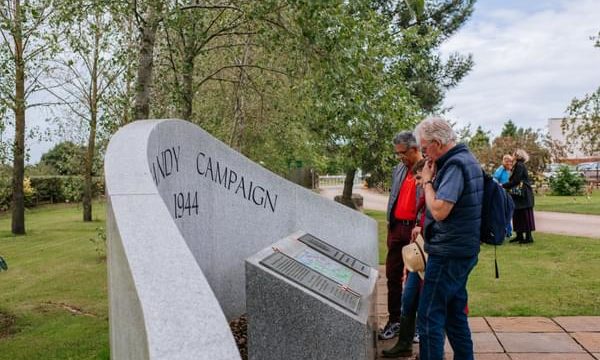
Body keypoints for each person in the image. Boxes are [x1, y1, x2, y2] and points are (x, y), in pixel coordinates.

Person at [414, 116, 483, 360]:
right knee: (454, 315)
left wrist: (428, 182)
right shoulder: (467, 159)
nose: (424, 155)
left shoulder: (454, 165)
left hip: (448, 253)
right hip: (462, 250)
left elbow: (441, 210)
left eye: (424, 148)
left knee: (429, 316)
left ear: (437, 143)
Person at [379, 131, 423, 340]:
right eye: (398, 154)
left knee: (416, 279)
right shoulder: (399, 169)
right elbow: (393, 196)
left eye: (403, 153)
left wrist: (421, 225)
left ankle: (414, 326)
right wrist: (390, 221)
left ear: (415, 149)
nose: (400, 157)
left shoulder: (428, 169)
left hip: (416, 231)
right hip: (397, 228)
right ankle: (395, 320)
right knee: (392, 275)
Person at [503, 149, 535, 244]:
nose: (512, 156)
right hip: (519, 194)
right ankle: (519, 235)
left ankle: (528, 237)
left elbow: (516, 180)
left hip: (523, 194)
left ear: (517, 156)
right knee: (518, 214)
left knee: (524, 215)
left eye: (513, 154)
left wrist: (503, 185)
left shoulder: (519, 165)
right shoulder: (517, 165)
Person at [493, 154, 513, 237]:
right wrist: (500, 186)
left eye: (510, 161)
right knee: (505, 212)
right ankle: (505, 231)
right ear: (504, 161)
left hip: (510, 192)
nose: (508, 162)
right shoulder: (501, 169)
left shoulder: (510, 170)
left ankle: (508, 231)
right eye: (507, 160)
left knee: (509, 211)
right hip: (503, 192)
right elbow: (494, 179)